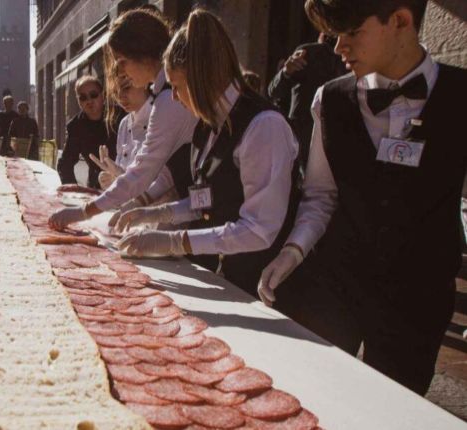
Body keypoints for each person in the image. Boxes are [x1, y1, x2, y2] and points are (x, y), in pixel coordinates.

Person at [257, 0, 467, 395]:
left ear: (400, 21)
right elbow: (321, 195)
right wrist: (293, 251)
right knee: (314, 397)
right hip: (338, 287)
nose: (338, 48)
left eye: (352, 33)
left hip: (418, 299)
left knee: (391, 411)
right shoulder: (329, 99)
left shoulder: (461, 95)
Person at [114, 9, 300, 296]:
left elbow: (258, 230)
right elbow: (207, 201)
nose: (173, 97)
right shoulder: (206, 127)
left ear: (201, 77)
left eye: (176, 87)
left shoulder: (264, 126)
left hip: (269, 285)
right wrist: (154, 213)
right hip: (225, 278)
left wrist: (174, 241)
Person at [49, 8, 197, 230]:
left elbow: (143, 171)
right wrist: (137, 202)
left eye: (122, 61)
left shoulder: (168, 99)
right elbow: (167, 170)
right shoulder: (162, 96)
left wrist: (83, 212)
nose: (120, 71)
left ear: (143, 55)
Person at [268, 32, 346, 167]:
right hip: (319, 131)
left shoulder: (308, 52)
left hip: (306, 130)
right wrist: (286, 71)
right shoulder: (349, 55)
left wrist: (286, 71)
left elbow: (274, 92)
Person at [56, 75, 118, 189]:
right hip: (96, 187)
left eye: (93, 95)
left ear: (103, 95)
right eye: (83, 97)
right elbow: (65, 164)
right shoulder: (76, 126)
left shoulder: (119, 115)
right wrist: (74, 190)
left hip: (125, 182)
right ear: (78, 101)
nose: (89, 101)